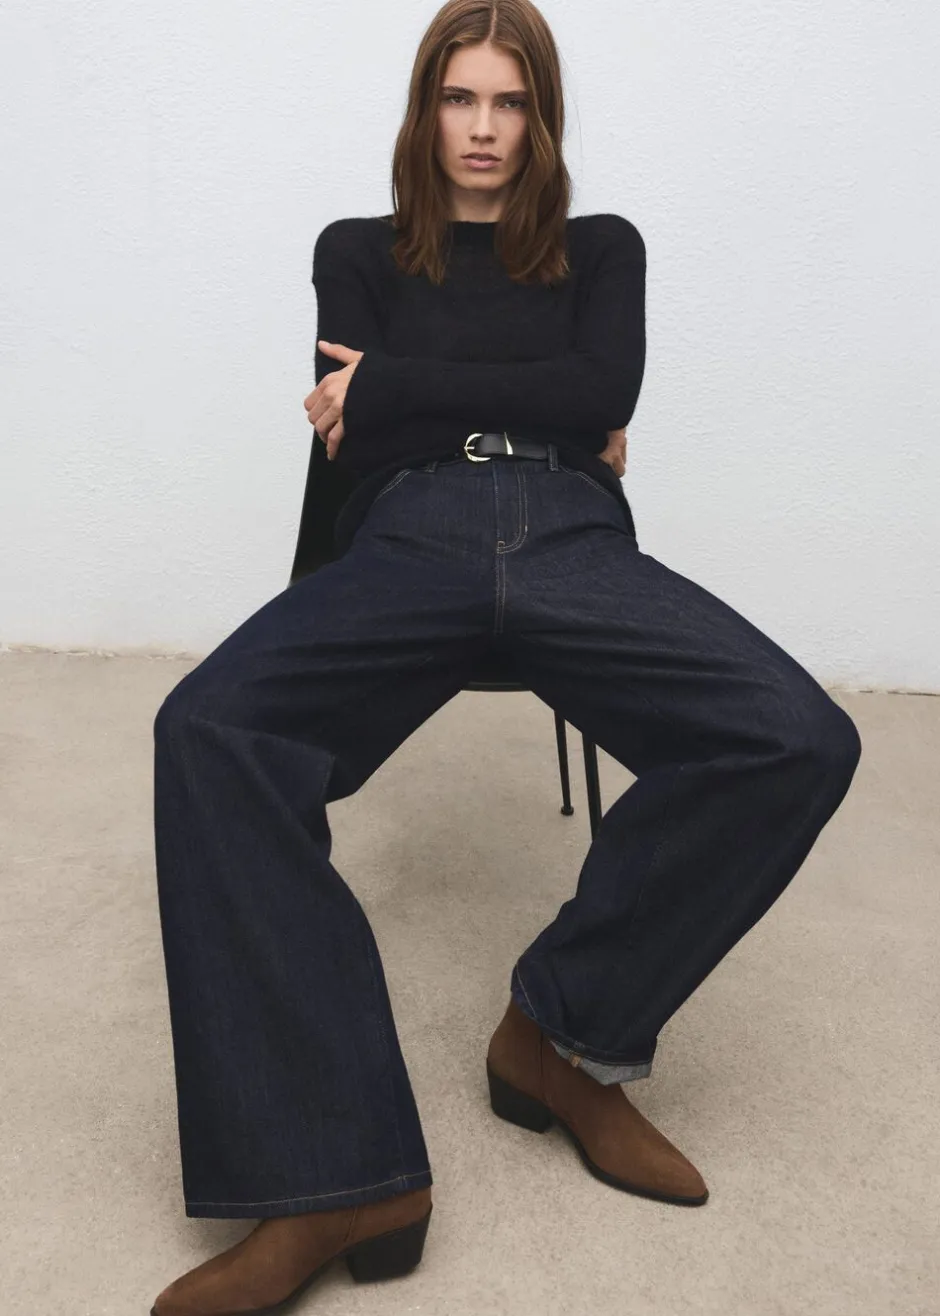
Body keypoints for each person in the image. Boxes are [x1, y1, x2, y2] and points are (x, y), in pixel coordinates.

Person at [149, 2, 862, 1312]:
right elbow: (375, 441)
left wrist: (404, 384)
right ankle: (336, 1174)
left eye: (511, 102)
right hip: (409, 532)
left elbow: (597, 397)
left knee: (797, 736)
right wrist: (525, 396)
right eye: (459, 99)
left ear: (543, 119)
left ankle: (562, 1035)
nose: (483, 128)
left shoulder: (601, 248)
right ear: (425, 111)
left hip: (567, 532)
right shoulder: (356, 250)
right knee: (208, 730)